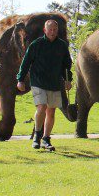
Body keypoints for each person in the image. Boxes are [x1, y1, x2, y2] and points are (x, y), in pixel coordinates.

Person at [17, 20, 72, 151]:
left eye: (55, 29)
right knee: (42, 107)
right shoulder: (36, 45)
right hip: (38, 82)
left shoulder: (62, 46)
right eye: (50, 29)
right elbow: (25, 63)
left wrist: (68, 80)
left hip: (54, 83)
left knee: (51, 112)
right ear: (45, 30)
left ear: (57, 30)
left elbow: (67, 65)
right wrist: (20, 79)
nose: (52, 32)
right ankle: (37, 135)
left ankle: (46, 139)